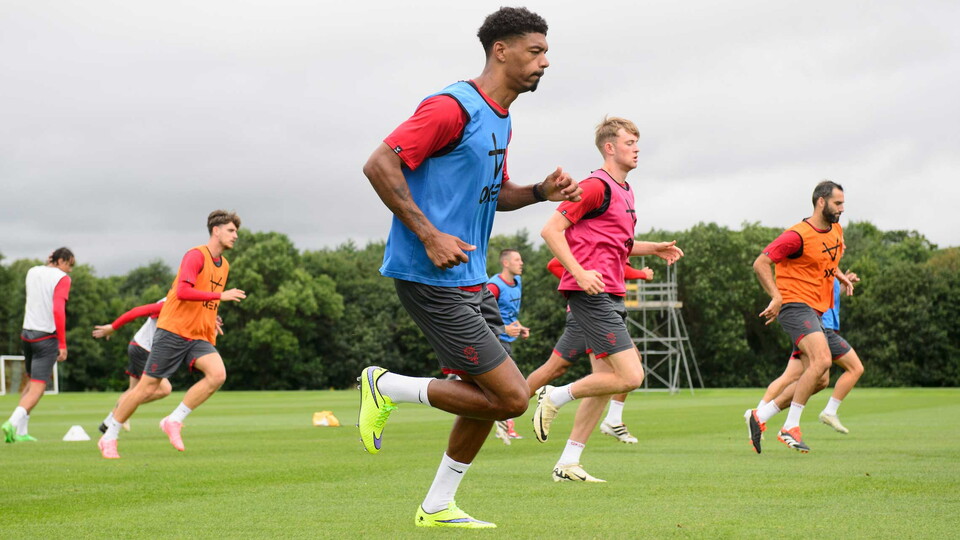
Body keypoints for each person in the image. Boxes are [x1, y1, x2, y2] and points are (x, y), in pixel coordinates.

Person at [358, 7, 582, 529]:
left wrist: (537, 193)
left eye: (546, 52)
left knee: (488, 399)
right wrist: (429, 235)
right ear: (500, 50)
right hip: (428, 275)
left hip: (470, 277)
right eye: (535, 51)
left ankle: (437, 505)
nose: (545, 62)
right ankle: (384, 386)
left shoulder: (500, 117)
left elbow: (495, 194)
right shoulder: (450, 107)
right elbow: (379, 163)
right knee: (512, 398)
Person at [533, 117, 684, 482]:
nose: (636, 148)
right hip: (591, 295)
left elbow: (622, 244)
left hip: (611, 294)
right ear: (609, 147)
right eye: (630, 142)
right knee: (631, 376)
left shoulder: (625, 191)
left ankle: (568, 462)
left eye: (637, 143)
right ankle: (554, 396)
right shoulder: (594, 186)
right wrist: (580, 273)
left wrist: (653, 248)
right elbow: (551, 230)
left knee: (605, 382)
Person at [97, 210, 246, 459]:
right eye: (231, 230)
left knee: (218, 375)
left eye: (236, 231)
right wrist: (220, 296)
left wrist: (212, 315)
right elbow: (184, 291)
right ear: (216, 230)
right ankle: (109, 435)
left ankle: (173, 420)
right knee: (145, 389)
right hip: (173, 331)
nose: (236, 236)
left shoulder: (225, 265)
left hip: (198, 334)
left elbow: (203, 298)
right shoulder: (195, 255)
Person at [745, 181, 856, 454]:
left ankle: (760, 416)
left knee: (820, 379)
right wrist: (776, 296)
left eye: (843, 203)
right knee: (822, 360)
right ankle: (789, 427)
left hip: (816, 311)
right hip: (795, 306)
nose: (842, 208)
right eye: (837, 203)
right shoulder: (797, 235)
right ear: (821, 202)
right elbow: (761, 263)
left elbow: (827, 260)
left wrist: (840, 276)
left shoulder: (836, 230)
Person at [524, 256, 654, 445]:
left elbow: (623, 258)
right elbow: (554, 263)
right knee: (555, 368)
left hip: (603, 312)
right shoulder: (597, 240)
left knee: (621, 368)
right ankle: (511, 406)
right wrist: (579, 282)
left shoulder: (617, 241)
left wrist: (654, 248)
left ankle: (577, 451)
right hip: (589, 314)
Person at [746, 274, 864, 452]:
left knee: (811, 379)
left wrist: (841, 279)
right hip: (814, 327)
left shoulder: (829, 261)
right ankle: (798, 422)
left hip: (814, 325)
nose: (842, 246)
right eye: (841, 244)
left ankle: (760, 414)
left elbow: (823, 289)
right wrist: (780, 303)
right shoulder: (822, 257)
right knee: (853, 368)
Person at [2, 248, 75, 443]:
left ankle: (20, 432)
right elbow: (58, 310)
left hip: (27, 335)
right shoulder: (62, 278)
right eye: (69, 264)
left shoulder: (32, 271)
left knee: (31, 382)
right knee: (38, 388)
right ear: (61, 260)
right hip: (46, 338)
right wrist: (62, 343)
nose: (70, 270)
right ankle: (11, 422)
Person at [91, 298, 173, 433]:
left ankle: (107, 424)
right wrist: (113, 327)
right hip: (143, 349)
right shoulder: (168, 304)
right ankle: (122, 412)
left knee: (133, 390)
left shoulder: (185, 305)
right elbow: (137, 311)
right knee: (165, 389)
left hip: (139, 345)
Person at [487, 249, 529, 443]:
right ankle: (505, 426)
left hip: (506, 340)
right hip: (493, 341)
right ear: (505, 263)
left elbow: (508, 313)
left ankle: (502, 424)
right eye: (517, 259)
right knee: (510, 385)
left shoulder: (517, 282)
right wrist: (503, 329)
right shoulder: (493, 287)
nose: (521, 263)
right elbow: (477, 315)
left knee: (505, 386)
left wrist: (519, 327)